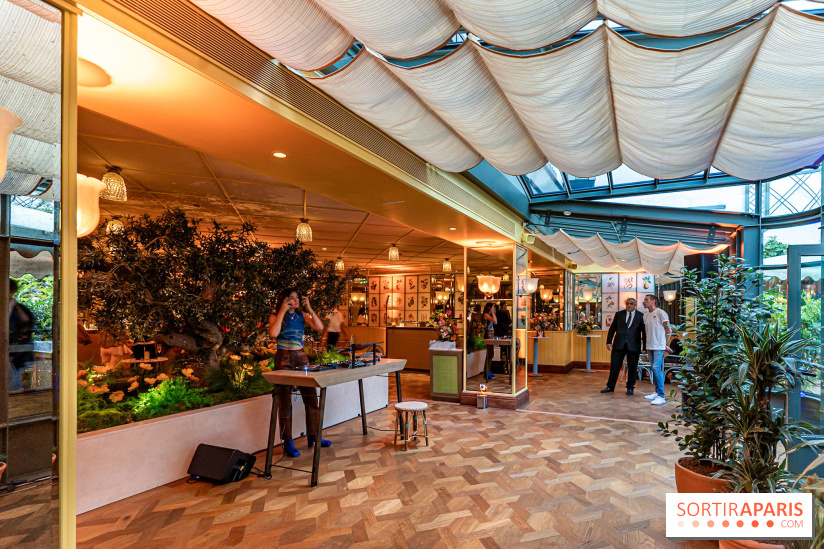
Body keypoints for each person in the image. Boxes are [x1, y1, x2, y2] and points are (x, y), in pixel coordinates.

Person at [269, 288, 329, 458]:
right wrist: (282, 310)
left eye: (296, 298)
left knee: (311, 397)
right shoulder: (275, 317)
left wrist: (309, 308)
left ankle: (314, 436)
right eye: (290, 298)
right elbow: (273, 333)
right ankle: (288, 442)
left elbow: (319, 327)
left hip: (301, 357)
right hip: (283, 358)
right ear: (283, 299)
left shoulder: (302, 316)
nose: (294, 301)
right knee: (284, 400)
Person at [602, 297, 645, 396]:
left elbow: (644, 333)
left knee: (632, 367)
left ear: (635, 305)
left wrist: (645, 347)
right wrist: (609, 342)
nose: (629, 305)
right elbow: (612, 329)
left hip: (634, 345)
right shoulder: (619, 314)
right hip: (618, 344)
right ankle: (610, 386)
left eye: (631, 304)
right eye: (627, 304)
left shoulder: (641, 316)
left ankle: (630, 387)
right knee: (614, 366)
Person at [642, 294, 672, 405]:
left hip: (658, 346)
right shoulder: (645, 316)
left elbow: (668, 330)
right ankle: (656, 392)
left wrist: (665, 344)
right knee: (653, 368)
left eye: (646, 300)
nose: (644, 302)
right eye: (644, 300)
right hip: (650, 345)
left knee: (656, 367)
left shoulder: (661, 313)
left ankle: (661, 396)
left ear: (653, 301)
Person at [8, 279, 34, 391]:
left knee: (17, 390)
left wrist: (12, 355)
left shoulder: (21, 311)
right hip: (10, 358)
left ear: (12, 291)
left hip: (18, 359)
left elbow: (25, 335)